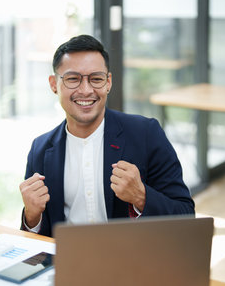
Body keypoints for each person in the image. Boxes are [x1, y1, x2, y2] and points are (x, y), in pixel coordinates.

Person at [19, 34, 194, 236]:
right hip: (70, 263)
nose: (86, 90)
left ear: (108, 82)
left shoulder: (146, 133)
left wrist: (141, 197)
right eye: (73, 79)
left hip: (132, 262)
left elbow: (186, 216)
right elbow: (37, 241)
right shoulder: (40, 150)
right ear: (53, 84)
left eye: (96, 79)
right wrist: (31, 217)